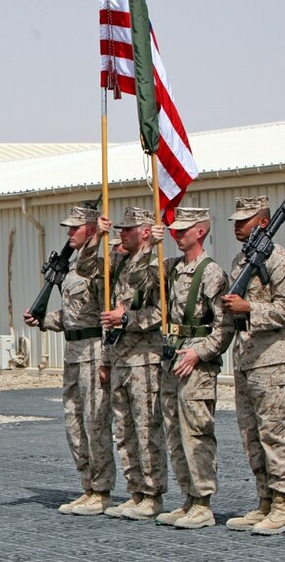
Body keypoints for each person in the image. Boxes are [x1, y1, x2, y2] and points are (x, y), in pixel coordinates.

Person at [24, 204, 115, 516]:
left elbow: (103, 315)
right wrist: (43, 319)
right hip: (73, 353)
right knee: (73, 422)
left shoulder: (97, 267)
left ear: (90, 230)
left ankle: (102, 491)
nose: (68, 233)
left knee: (95, 422)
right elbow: (72, 315)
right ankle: (87, 486)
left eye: (74, 227)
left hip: (93, 350)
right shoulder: (72, 270)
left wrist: (107, 359)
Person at [221, 196, 285, 535]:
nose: (237, 225)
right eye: (236, 220)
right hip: (247, 359)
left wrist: (249, 307)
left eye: (246, 219)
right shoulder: (242, 260)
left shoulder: (279, 261)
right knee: (251, 435)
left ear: (264, 222)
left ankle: (283, 506)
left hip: (274, 359)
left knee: (273, 432)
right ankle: (264, 501)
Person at [155, 207, 233, 529]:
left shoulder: (212, 272)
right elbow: (140, 281)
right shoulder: (171, 268)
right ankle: (187, 497)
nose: (176, 234)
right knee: (174, 432)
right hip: (172, 361)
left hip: (195, 366)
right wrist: (151, 244)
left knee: (197, 432)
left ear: (200, 232)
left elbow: (224, 326)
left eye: (182, 229)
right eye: (173, 229)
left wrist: (198, 354)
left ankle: (203, 501)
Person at [99, 207, 167, 521]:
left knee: (145, 430)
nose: (121, 234)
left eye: (127, 229)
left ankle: (152, 495)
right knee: (124, 431)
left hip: (144, 359)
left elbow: (160, 313)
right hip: (121, 358)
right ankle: (135, 491)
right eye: (120, 229)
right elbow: (88, 268)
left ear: (144, 231)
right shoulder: (122, 264)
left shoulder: (157, 263)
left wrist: (127, 319)